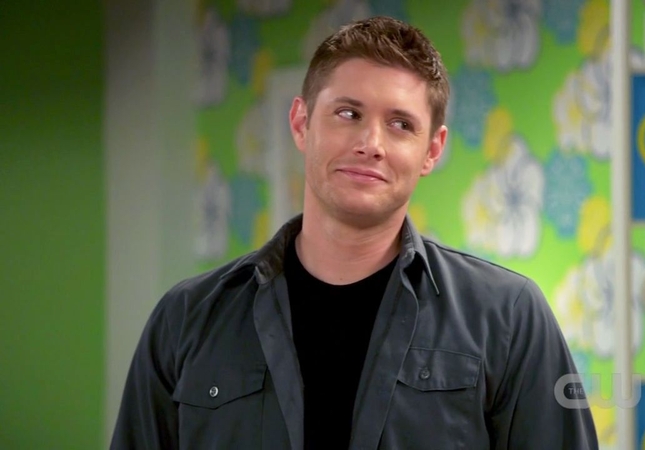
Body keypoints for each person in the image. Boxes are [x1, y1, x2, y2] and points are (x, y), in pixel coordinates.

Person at [111, 16, 598, 450]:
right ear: (301, 123)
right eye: (349, 114)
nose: (371, 143)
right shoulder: (186, 319)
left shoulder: (508, 317)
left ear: (432, 150)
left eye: (401, 124)